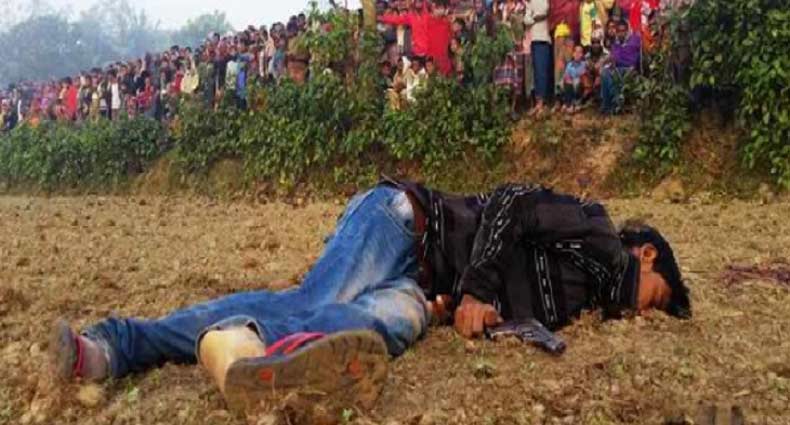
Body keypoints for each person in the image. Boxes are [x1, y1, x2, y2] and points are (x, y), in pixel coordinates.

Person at [52, 179, 691, 414]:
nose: (648, 310)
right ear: (647, 254)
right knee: (306, 303)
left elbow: (503, 284)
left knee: (382, 331)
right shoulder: (600, 234)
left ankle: (259, 352)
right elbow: (511, 202)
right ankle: (116, 344)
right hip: (402, 223)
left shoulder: (580, 300)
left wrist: (468, 307)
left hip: (424, 288)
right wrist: (478, 289)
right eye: (660, 298)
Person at [601, 20, 641, 115]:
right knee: (605, 73)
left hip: (630, 69)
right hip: (618, 68)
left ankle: (616, 103)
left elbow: (638, 56)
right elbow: (613, 57)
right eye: (619, 31)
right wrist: (603, 63)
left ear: (627, 31)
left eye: (623, 31)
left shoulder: (634, 40)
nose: (621, 33)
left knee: (613, 75)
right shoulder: (616, 43)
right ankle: (607, 105)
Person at [525, 0, 552, 116]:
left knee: (542, 71)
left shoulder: (547, 2)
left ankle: (542, 102)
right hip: (533, 40)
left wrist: (536, 17)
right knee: (536, 72)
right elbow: (526, 19)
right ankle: (538, 102)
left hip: (544, 39)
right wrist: (536, 18)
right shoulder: (531, 2)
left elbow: (548, 13)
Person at [562, 45, 587, 113]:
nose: (577, 54)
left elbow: (584, 75)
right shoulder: (569, 65)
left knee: (577, 82)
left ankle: (576, 103)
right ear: (573, 54)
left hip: (579, 84)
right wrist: (568, 78)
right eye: (576, 52)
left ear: (582, 55)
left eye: (580, 52)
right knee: (566, 82)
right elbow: (566, 75)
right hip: (570, 83)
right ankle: (569, 104)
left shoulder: (584, 64)